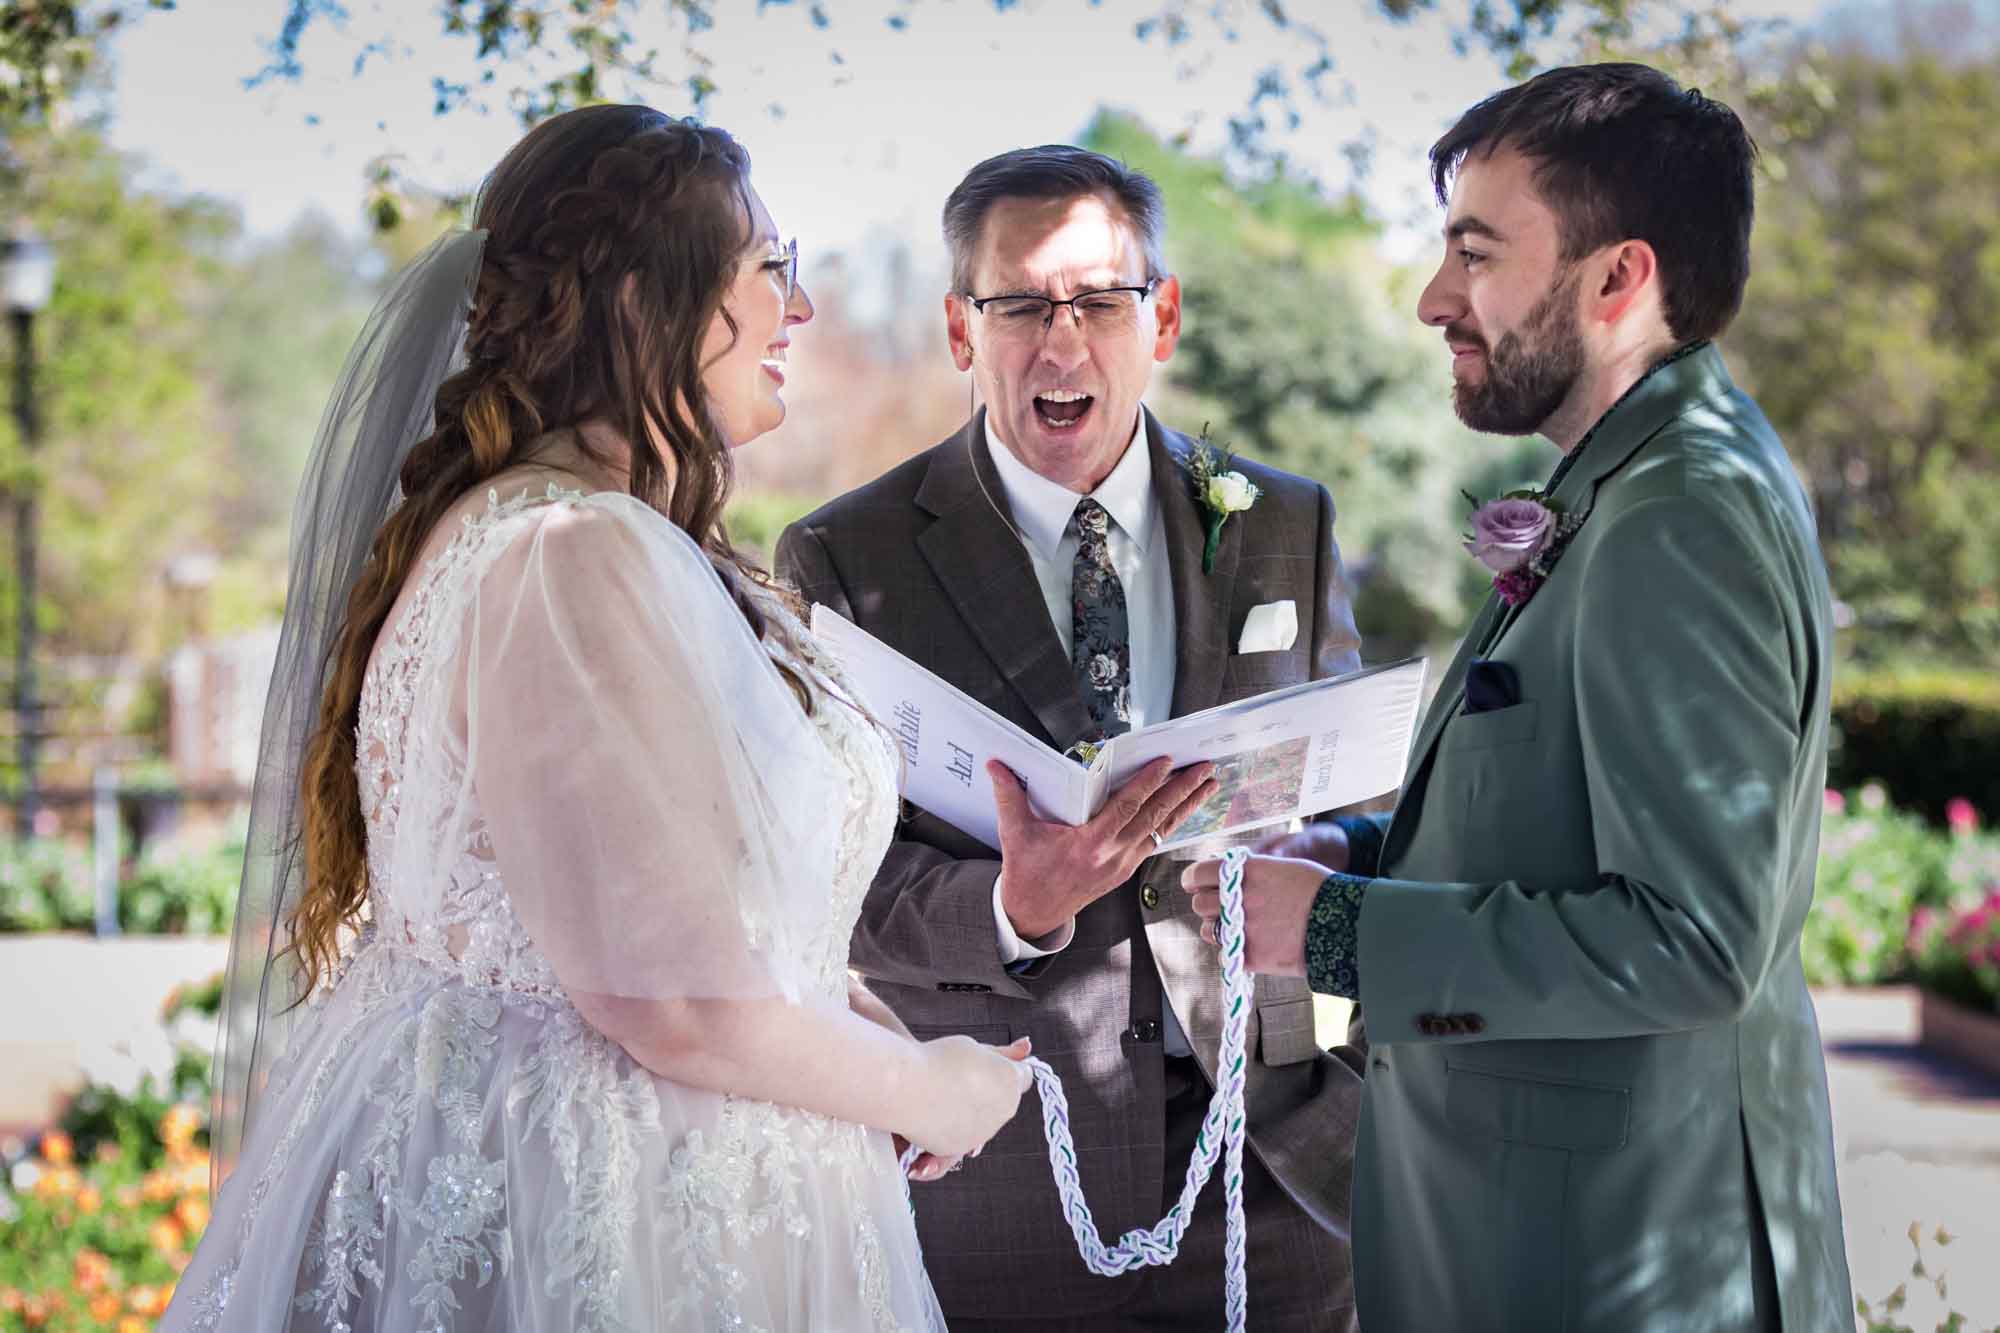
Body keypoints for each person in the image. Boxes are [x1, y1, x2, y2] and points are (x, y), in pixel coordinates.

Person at [163, 105, 1031, 1333]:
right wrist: (930, 1089)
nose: (803, 307)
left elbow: (658, 907)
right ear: (643, 302)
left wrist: (844, 1023)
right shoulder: (572, 551)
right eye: (770, 268)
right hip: (598, 1210)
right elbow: (665, 1004)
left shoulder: (576, 536)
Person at [1185, 63, 1854, 1331]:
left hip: (1608, 1259)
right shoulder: (1631, 480)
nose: (1435, 297)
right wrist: (1357, 857)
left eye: (1475, 253)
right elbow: (1568, 830)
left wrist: (1338, 934)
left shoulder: (1679, 513)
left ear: (1618, 280)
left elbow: (1694, 939)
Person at [777, 145, 1366, 1332]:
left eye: (1100, 299)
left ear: (1163, 316)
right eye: (1019, 305)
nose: (1062, 342)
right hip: (1001, 1175)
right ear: (959, 329)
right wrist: (1014, 906)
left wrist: (1332, 847)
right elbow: (821, 879)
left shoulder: (1282, 522)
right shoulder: (846, 558)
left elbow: (1344, 781)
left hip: (1273, 1165)